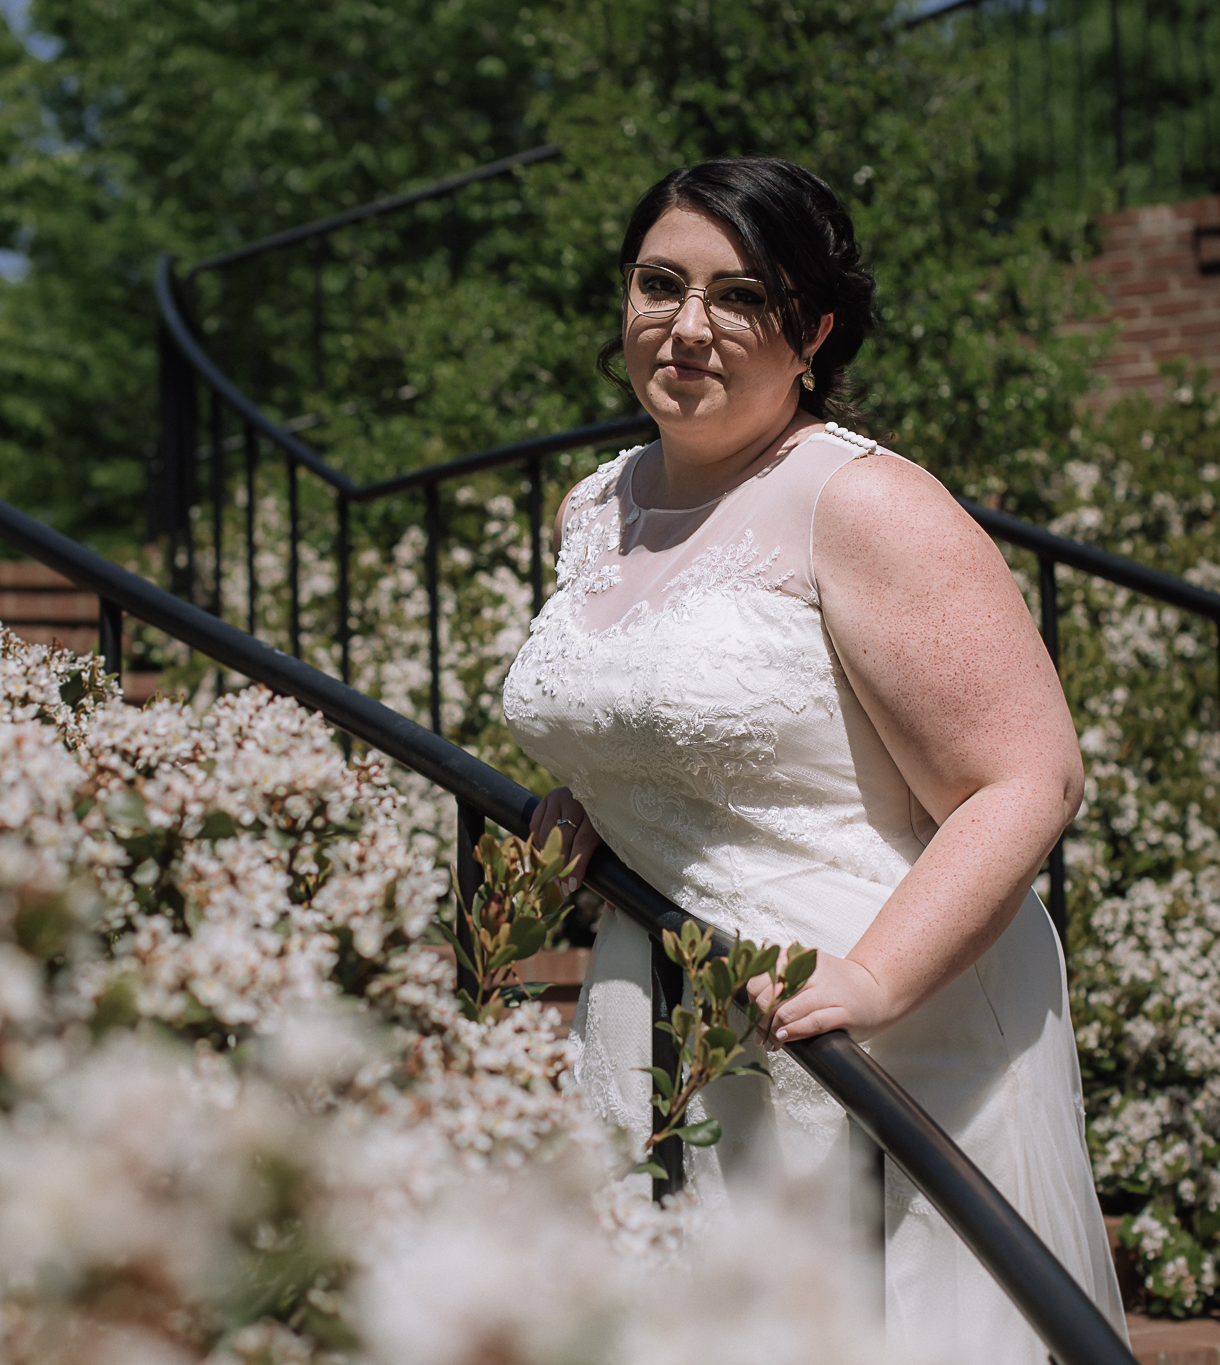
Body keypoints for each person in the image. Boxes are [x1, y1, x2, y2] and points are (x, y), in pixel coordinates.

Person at [499, 158, 1127, 1358]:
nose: (687, 327)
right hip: (666, 1005)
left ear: (813, 332)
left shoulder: (861, 502)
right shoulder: (594, 504)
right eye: (658, 283)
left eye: (740, 296)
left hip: (872, 1025)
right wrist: (590, 797)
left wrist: (876, 981)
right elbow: (661, 712)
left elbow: (1026, 776)